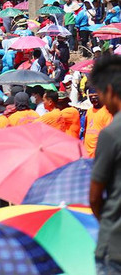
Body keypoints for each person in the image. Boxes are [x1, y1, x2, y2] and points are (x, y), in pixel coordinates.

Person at [89, 56, 121, 275]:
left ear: (109, 90)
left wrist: (106, 221)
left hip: (115, 245)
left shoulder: (111, 133)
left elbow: (94, 196)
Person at [86, 87, 114, 158]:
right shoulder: (89, 111)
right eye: (91, 96)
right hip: (87, 153)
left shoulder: (107, 112)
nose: (93, 98)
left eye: (96, 96)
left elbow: (109, 136)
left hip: (98, 154)